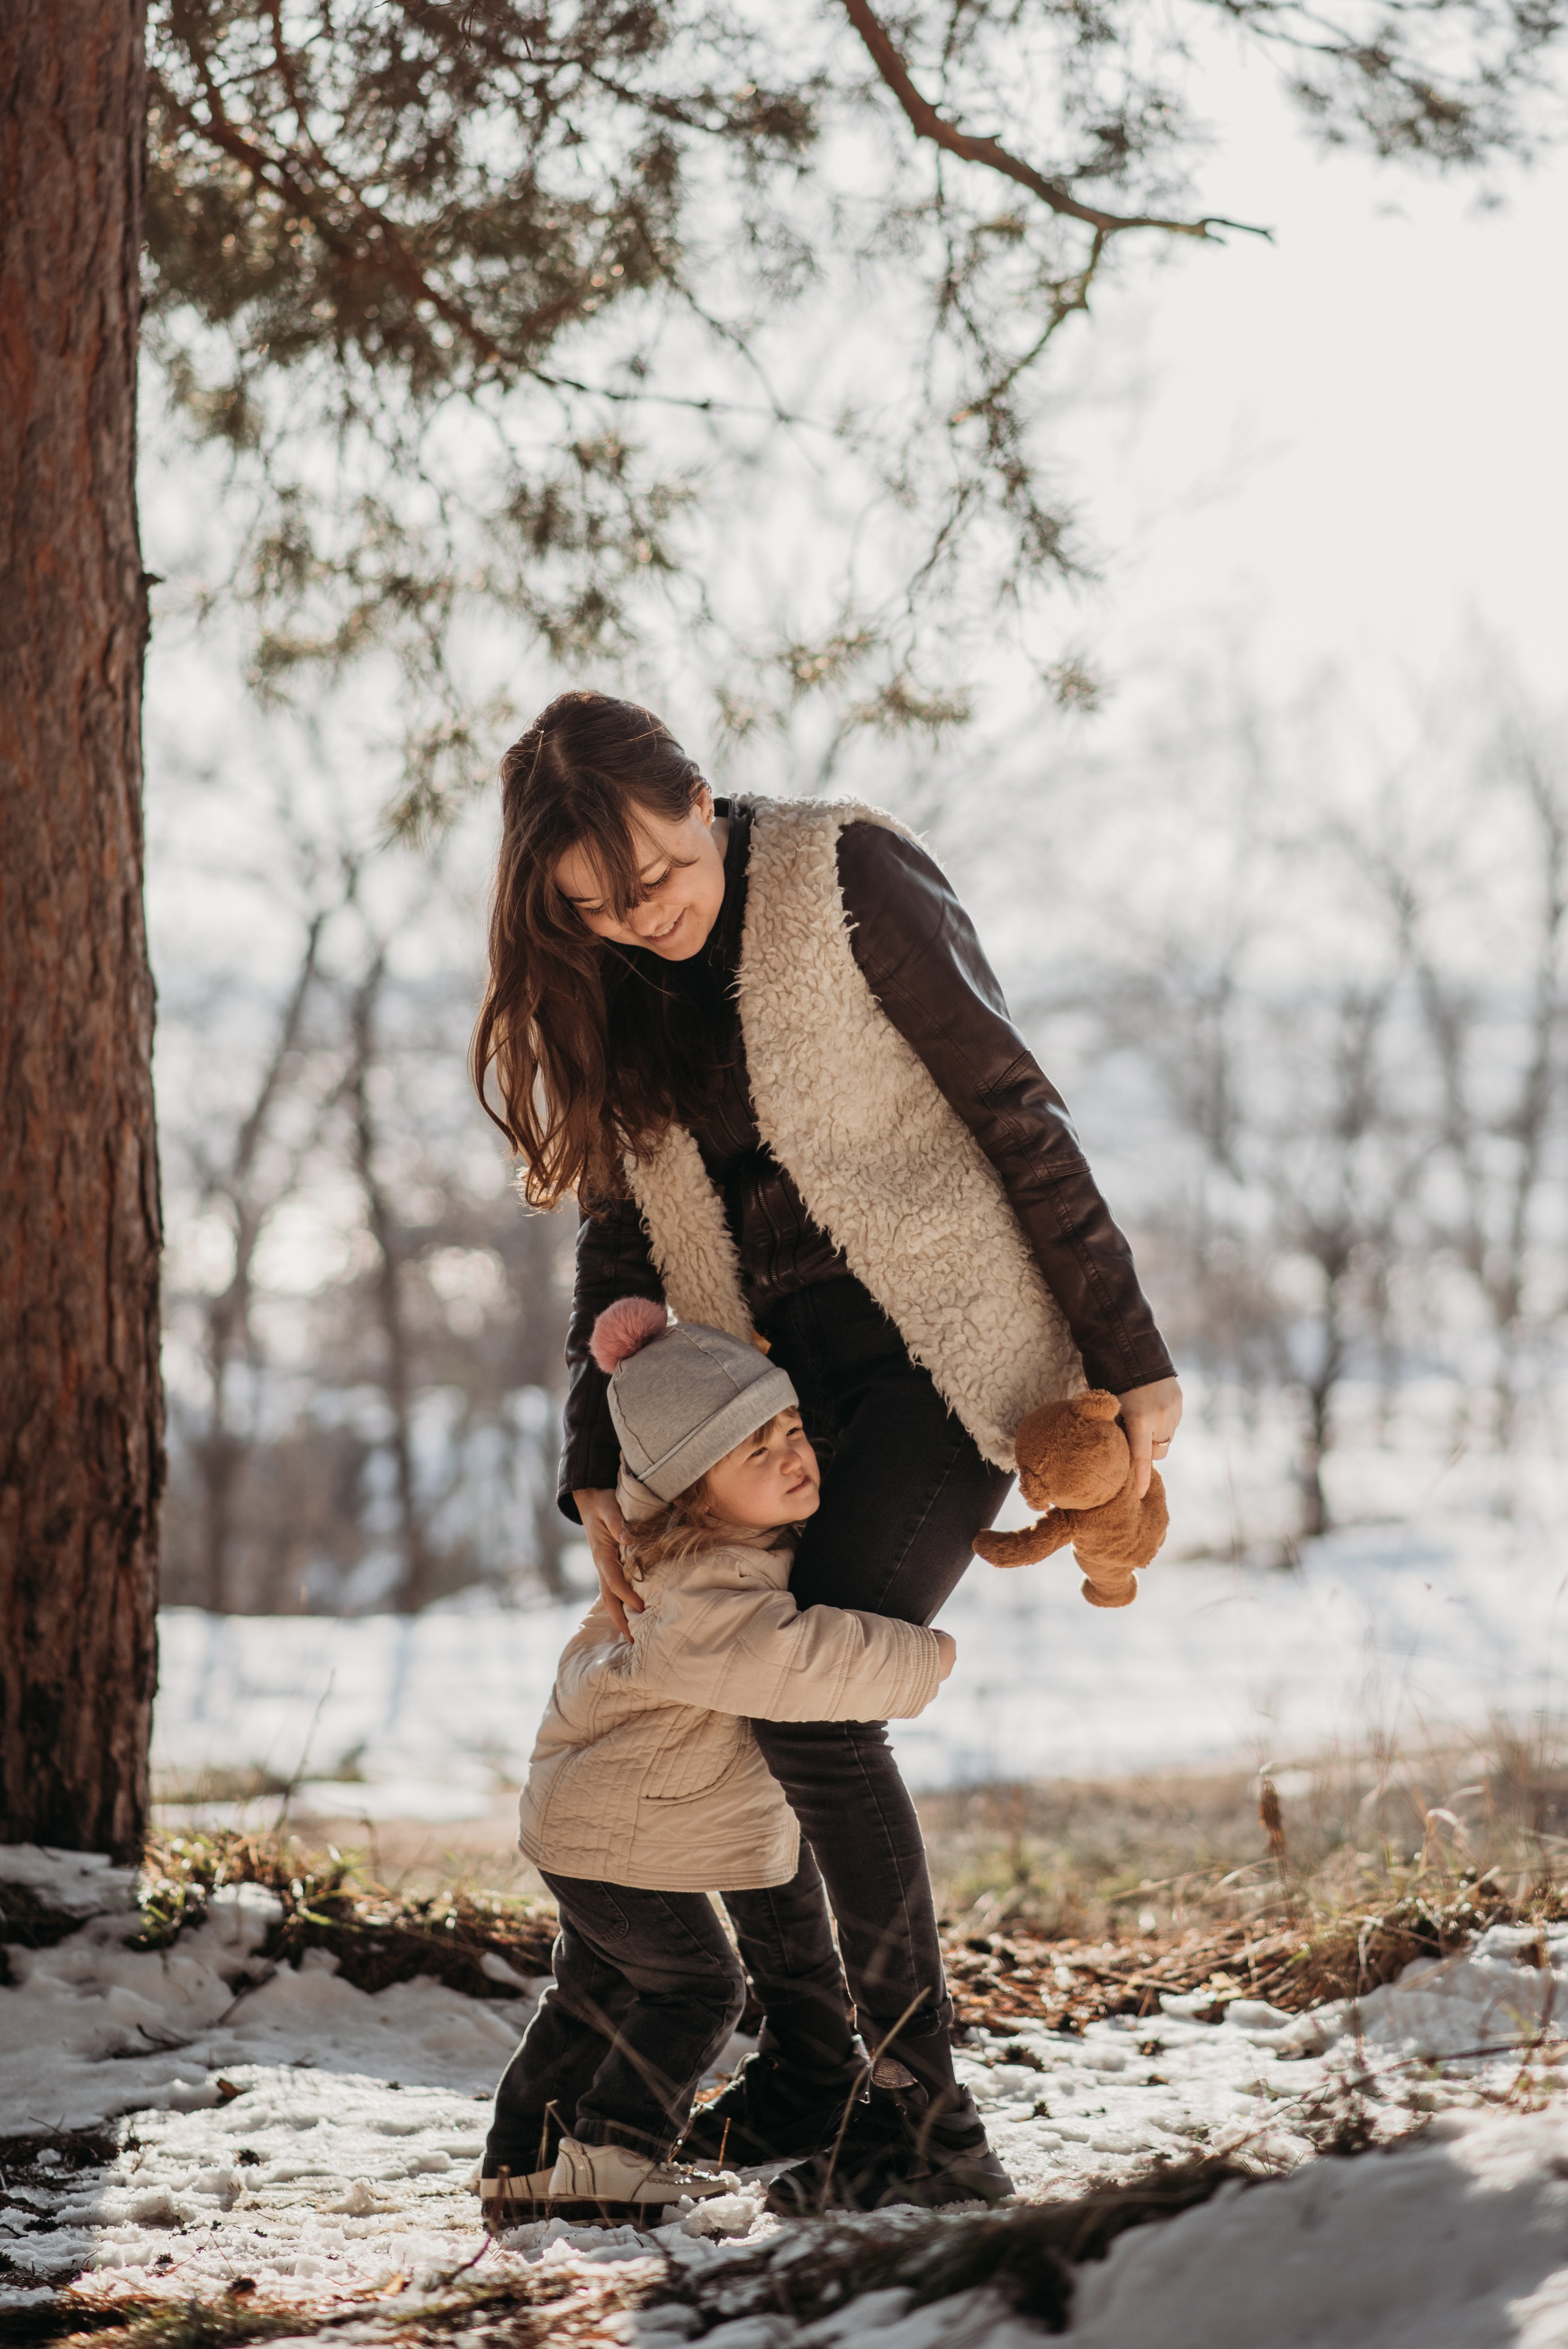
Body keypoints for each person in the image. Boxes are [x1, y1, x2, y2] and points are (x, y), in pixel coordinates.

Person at [472, 689, 1182, 2211]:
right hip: (762, 1403)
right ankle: (807, 2074)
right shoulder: (621, 980)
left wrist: (1128, 1357)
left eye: (653, 875)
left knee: (804, 1703)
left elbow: (1012, 1105)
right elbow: (618, 1235)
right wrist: (595, 1458)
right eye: (593, 907)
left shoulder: (846, 874)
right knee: (744, 1693)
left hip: (948, 1357)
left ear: (699, 796)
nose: (639, 917)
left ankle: (925, 2126)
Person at [480, 1298, 954, 2230]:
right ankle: (617, 2156)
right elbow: (792, 1658)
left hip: (596, 1824)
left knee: (600, 1987)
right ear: (693, 1491)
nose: (793, 1456)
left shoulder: (718, 1553)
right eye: (756, 1451)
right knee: (697, 1986)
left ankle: (524, 2163)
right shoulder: (707, 1588)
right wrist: (920, 1657)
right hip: (617, 1831)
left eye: (790, 1430)